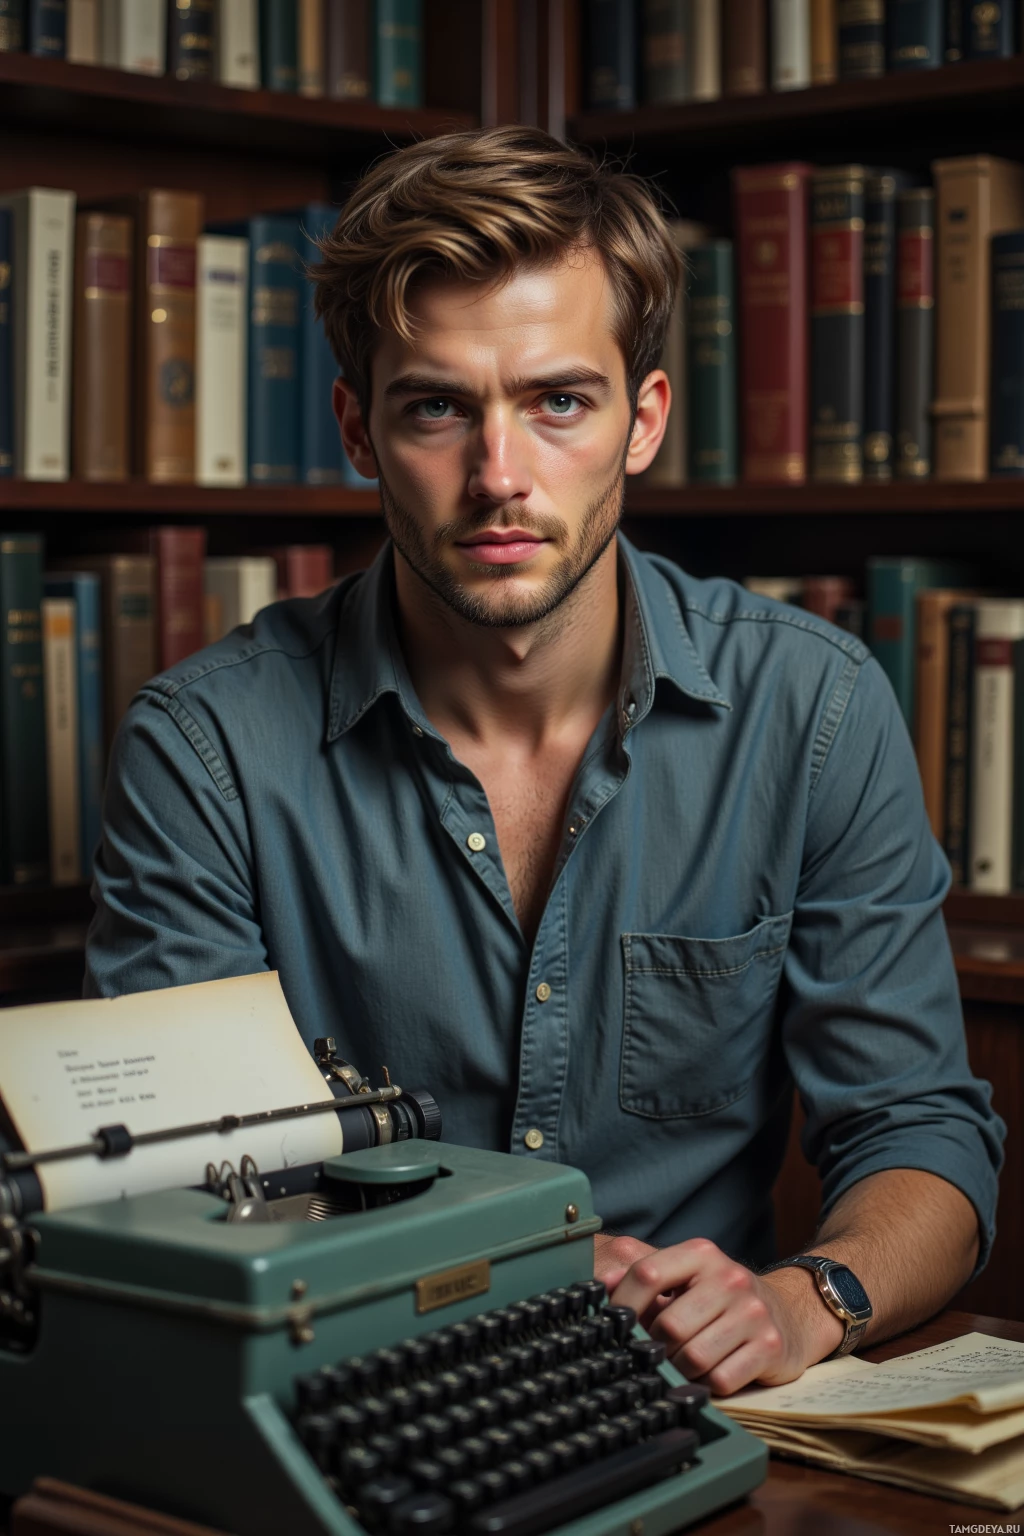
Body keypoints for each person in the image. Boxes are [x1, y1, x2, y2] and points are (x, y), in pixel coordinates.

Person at [85, 126, 1003, 1396]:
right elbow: (186, 1186)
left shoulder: (813, 708)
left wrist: (803, 1304)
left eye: (558, 400)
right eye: (436, 408)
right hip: (366, 1376)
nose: (498, 476)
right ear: (358, 429)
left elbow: (920, 1133)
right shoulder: (206, 750)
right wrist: (496, 1288)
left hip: (687, 1394)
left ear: (643, 420)